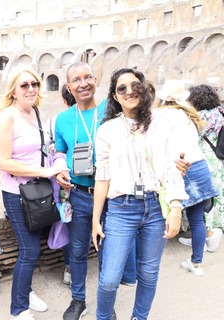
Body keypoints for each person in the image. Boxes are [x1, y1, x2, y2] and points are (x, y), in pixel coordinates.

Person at [92, 68, 187, 320]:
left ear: (143, 88)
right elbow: (102, 177)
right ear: (115, 95)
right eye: (121, 88)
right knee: (110, 277)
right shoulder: (107, 130)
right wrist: (95, 220)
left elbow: (171, 166)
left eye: (134, 85)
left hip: (156, 206)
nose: (129, 91)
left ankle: (139, 317)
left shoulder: (162, 122)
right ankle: (104, 317)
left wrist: (175, 207)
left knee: (148, 272)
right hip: (121, 209)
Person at [54, 62, 139, 320]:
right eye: (76, 80)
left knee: (107, 252)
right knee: (78, 251)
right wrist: (59, 169)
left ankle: (105, 303)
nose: (83, 84)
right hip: (79, 195)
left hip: (112, 195)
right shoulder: (63, 119)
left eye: (87, 77)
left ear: (95, 79)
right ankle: (78, 300)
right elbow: (59, 151)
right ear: (69, 87)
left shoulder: (112, 110)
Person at [0, 67, 66, 320]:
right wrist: (42, 172)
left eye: (34, 84)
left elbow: (43, 150)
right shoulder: (7, 117)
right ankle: (18, 309)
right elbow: (3, 162)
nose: (30, 89)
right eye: (24, 85)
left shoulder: (35, 111)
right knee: (29, 251)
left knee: (34, 245)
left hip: (37, 192)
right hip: (17, 193)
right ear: (13, 90)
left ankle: (26, 291)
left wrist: (54, 168)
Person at [155, 80, 219, 276]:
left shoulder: (160, 115)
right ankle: (196, 263)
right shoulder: (189, 114)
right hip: (199, 165)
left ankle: (148, 265)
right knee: (197, 218)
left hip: (180, 167)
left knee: (162, 215)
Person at [183, 84, 224, 252]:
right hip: (217, 159)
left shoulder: (197, 118)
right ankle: (209, 232)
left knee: (202, 197)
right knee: (217, 195)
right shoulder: (220, 114)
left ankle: (209, 235)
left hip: (202, 159)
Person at [47, 84, 76, 286]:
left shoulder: (54, 121)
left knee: (66, 223)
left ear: (64, 100)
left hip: (60, 184)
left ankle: (68, 268)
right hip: (83, 183)